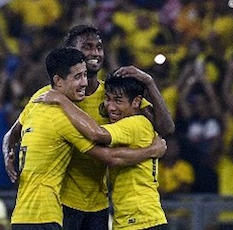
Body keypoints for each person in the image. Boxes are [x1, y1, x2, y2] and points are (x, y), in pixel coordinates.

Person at [3, 25, 174, 230]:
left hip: (99, 204)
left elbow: (165, 128)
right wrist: (8, 154)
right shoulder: (51, 97)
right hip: (64, 203)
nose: (95, 52)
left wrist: (149, 82)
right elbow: (12, 134)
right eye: (87, 47)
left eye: (99, 47)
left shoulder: (113, 95)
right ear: (73, 55)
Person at [35, 74, 168, 230]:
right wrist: (151, 150)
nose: (110, 107)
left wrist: (62, 101)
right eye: (108, 99)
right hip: (139, 219)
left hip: (139, 220)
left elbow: (98, 134)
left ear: (137, 102)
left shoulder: (135, 123)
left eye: (118, 101)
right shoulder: (141, 126)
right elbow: (116, 158)